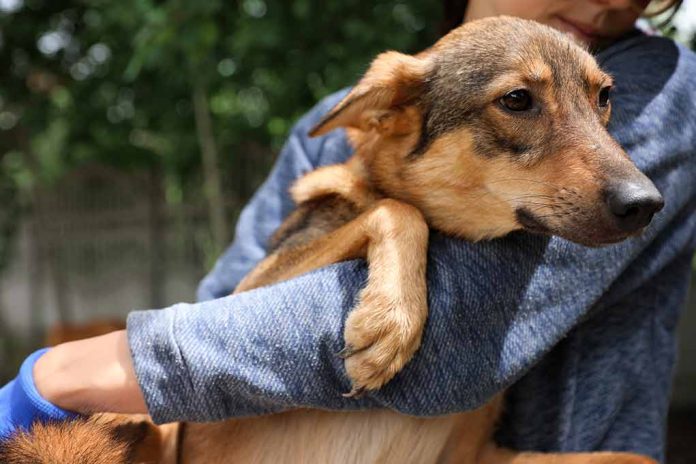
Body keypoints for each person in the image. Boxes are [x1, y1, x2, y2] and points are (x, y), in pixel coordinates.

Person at [1, 0, 695, 461]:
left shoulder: (663, 87)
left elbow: (449, 354)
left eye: (601, 102)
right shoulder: (339, 127)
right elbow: (226, 319)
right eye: (520, 103)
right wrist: (390, 227)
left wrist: (78, 372)